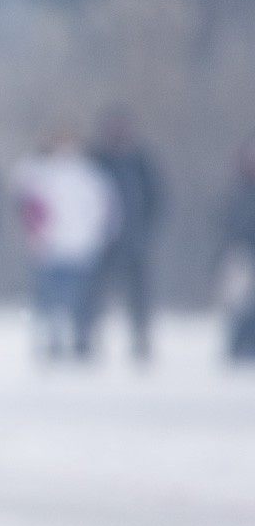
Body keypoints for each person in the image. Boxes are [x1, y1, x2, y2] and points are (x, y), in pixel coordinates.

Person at [12, 131, 113, 361]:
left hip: (81, 248)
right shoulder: (41, 173)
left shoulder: (90, 175)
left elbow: (103, 209)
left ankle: (81, 340)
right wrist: (36, 236)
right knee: (49, 299)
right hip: (50, 248)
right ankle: (51, 340)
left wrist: (98, 238)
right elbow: (27, 202)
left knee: (81, 300)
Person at [86, 105, 163, 362]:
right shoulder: (95, 160)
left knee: (138, 294)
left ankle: (140, 338)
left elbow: (155, 197)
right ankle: (91, 336)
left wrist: (146, 228)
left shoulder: (140, 161)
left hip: (134, 238)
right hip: (101, 240)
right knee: (96, 293)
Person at [218, 136, 255, 362]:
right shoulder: (236, 190)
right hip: (241, 252)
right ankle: (237, 347)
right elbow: (225, 222)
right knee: (239, 303)